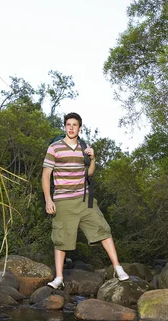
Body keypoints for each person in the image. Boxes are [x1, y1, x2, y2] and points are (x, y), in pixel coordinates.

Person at [42, 112, 129, 289]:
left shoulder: (85, 147)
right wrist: (48, 200)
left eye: (75, 125)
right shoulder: (54, 148)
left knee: (103, 229)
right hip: (63, 200)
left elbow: (89, 173)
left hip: (85, 198)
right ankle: (58, 278)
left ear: (80, 128)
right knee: (61, 238)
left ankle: (118, 268)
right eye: (68, 124)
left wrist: (93, 158)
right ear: (65, 127)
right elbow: (45, 175)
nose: (71, 127)